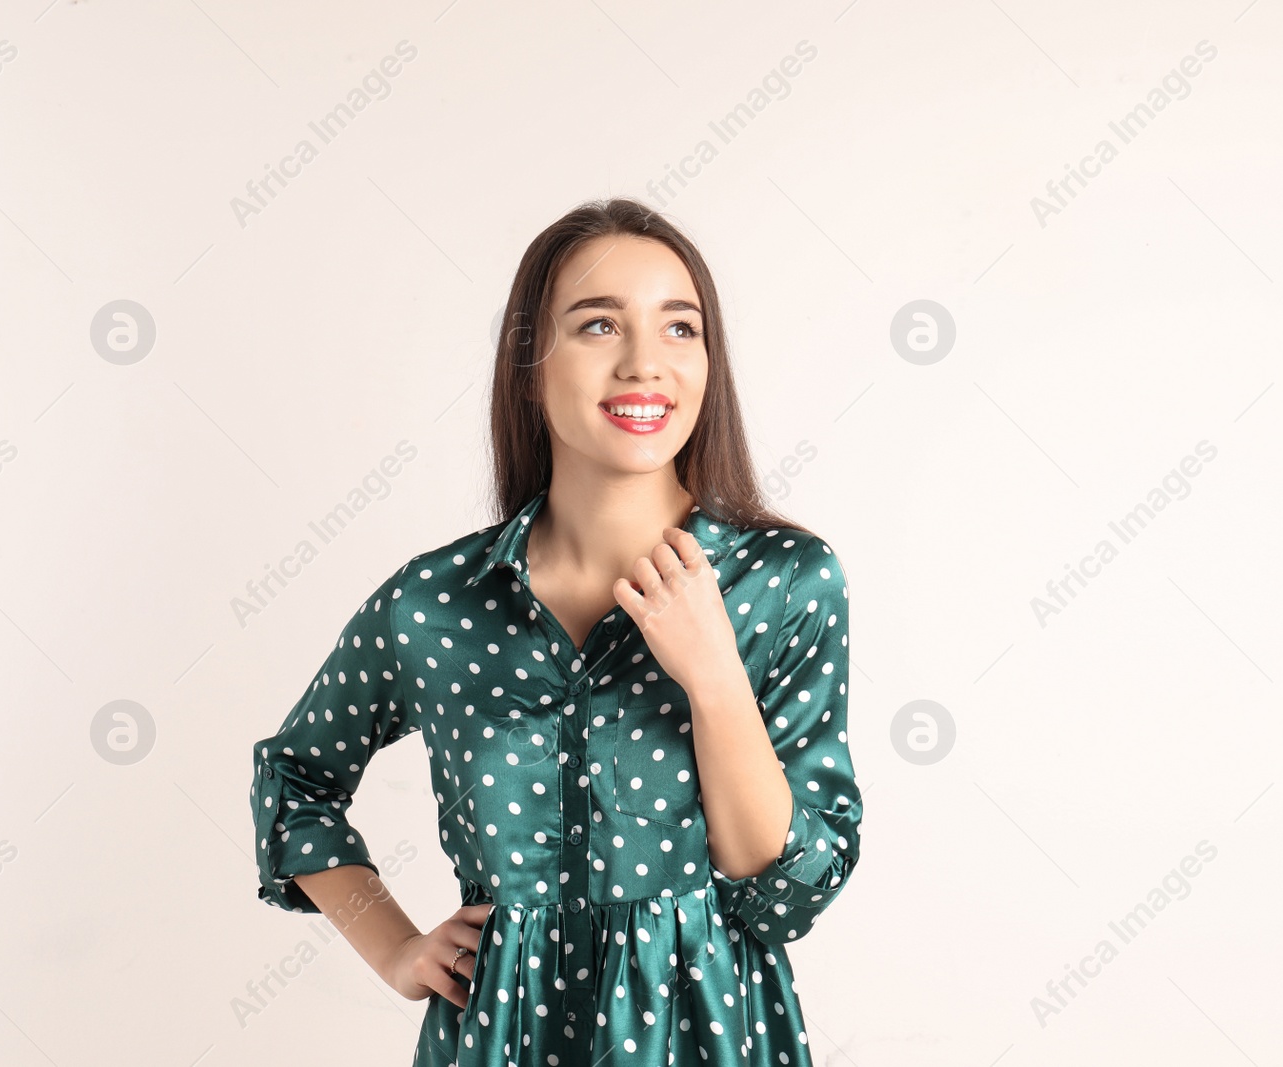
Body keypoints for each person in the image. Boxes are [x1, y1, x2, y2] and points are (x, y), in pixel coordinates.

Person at [248, 197, 862, 1066]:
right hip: (500, 1038)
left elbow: (787, 894)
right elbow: (296, 779)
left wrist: (714, 674)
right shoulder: (436, 602)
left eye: (680, 328)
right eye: (599, 326)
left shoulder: (785, 583)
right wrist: (391, 945)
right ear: (530, 365)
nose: (646, 363)